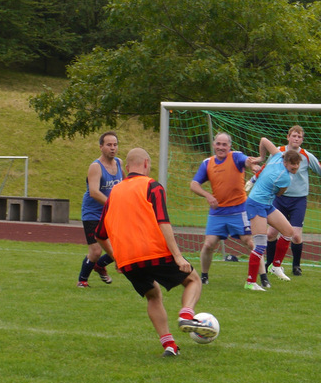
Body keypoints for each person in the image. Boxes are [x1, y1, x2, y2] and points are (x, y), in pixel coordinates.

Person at [95, 147, 216, 357]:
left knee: (153, 295)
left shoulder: (114, 192)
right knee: (193, 280)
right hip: (154, 252)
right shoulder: (152, 186)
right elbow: (163, 222)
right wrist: (178, 257)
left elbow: (100, 234)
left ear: (126, 168)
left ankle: (169, 345)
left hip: (128, 260)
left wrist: (117, 258)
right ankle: (187, 314)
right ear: (146, 164)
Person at [255, 126, 321, 277]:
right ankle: (271, 264)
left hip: (298, 201)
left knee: (295, 235)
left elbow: (320, 168)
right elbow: (266, 168)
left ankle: (296, 266)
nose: (296, 139)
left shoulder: (306, 156)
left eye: (299, 137)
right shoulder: (278, 152)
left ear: (302, 139)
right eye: (294, 135)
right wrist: (254, 179)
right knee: (271, 233)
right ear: (288, 137)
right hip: (279, 198)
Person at [188, 132, 256, 286]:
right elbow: (193, 184)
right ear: (213, 144)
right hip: (218, 212)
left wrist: (253, 164)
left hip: (239, 210)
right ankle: (204, 276)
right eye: (218, 144)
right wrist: (207, 195)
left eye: (224, 144)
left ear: (229, 146)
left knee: (250, 242)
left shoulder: (236, 157)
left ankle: (262, 278)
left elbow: (246, 161)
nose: (221, 147)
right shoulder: (207, 163)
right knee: (208, 244)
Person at [242, 148, 303, 290]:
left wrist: (261, 158)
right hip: (256, 204)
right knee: (260, 245)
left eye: (297, 164)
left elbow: (263, 140)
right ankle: (250, 282)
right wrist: (260, 160)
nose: (296, 167)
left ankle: (275, 266)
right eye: (293, 164)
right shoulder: (285, 178)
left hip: (267, 205)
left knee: (288, 232)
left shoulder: (277, 156)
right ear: (286, 162)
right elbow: (280, 194)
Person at [76, 131, 122, 288]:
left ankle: (100, 265)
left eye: (115, 145)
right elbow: (94, 192)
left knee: (122, 245)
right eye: (109, 145)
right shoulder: (96, 167)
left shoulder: (120, 163)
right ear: (101, 147)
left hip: (111, 212)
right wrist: (114, 204)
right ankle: (82, 280)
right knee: (95, 251)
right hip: (92, 213)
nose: (112, 148)